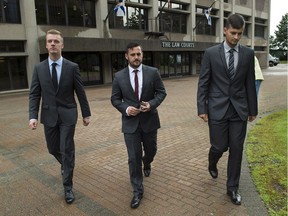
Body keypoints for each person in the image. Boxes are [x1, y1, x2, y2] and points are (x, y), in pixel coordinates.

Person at [197, 14, 258, 205]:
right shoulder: (211, 53)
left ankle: (232, 188)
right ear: (225, 30)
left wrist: (252, 109)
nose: (236, 37)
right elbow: (203, 83)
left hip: (239, 109)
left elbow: (250, 83)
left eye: (240, 34)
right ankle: (212, 160)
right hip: (217, 108)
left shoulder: (248, 54)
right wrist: (202, 107)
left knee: (237, 149)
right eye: (233, 33)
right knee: (219, 146)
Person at [29, 29, 91, 204]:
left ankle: (67, 187)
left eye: (56, 41)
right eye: (50, 41)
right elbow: (34, 94)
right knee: (52, 148)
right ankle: (66, 163)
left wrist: (86, 114)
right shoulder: (39, 68)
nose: (53, 44)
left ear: (62, 45)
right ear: (46, 45)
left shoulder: (72, 67)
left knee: (66, 148)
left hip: (68, 115)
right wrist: (32, 115)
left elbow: (80, 92)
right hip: (48, 115)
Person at [111, 42, 166, 209]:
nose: (136, 57)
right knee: (133, 158)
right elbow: (115, 99)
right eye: (133, 54)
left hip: (149, 121)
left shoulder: (153, 72)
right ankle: (137, 191)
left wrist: (151, 104)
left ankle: (147, 162)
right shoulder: (119, 76)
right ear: (126, 56)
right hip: (130, 124)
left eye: (139, 54)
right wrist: (126, 109)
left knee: (151, 150)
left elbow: (161, 93)